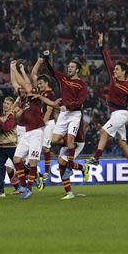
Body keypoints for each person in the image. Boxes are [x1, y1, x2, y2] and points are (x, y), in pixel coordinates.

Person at [86, 33, 128, 183]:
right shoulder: (113, 78)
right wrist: (101, 46)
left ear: (124, 71)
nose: (115, 71)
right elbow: (107, 61)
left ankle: (96, 158)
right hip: (115, 115)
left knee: (104, 131)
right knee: (121, 142)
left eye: (117, 69)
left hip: (121, 114)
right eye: (115, 69)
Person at [42, 51, 88, 179]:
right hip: (64, 113)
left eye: (72, 67)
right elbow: (51, 71)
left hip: (74, 114)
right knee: (54, 140)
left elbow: (80, 102)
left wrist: (67, 106)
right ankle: (74, 161)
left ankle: (69, 167)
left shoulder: (82, 85)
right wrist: (46, 58)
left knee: (70, 140)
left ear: (77, 70)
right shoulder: (63, 79)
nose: (69, 68)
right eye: (69, 66)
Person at [11, 60, 46, 199]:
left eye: (23, 88)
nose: (21, 89)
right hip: (26, 132)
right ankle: (24, 185)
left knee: (32, 161)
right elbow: (19, 120)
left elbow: (24, 83)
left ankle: (29, 189)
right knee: (17, 159)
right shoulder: (23, 102)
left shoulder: (34, 95)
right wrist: (18, 115)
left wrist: (15, 69)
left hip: (37, 132)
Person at [29, 58, 57, 182]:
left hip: (48, 122)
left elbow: (49, 110)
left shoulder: (50, 94)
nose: (38, 85)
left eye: (41, 83)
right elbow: (32, 75)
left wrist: (41, 123)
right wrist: (38, 62)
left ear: (46, 83)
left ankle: (46, 172)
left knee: (45, 148)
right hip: (40, 124)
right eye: (38, 84)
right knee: (35, 148)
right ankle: (33, 170)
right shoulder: (40, 94)